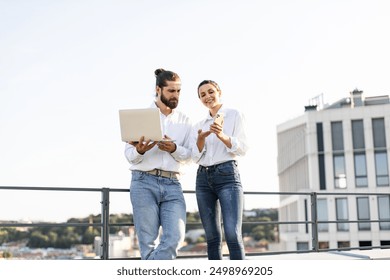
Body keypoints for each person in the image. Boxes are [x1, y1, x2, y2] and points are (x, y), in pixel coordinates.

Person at [124, 68, 192, 260]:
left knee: (174, 239)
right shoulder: (140, 116)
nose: (176, 95)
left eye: (178, 91)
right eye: (171, 90)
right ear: (158, 89)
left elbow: (190, 156)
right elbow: (129, 154)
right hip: (143, 182)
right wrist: (140, 150)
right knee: (147, 244)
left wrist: (173, 148)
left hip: (173, 184)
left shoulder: (185, 121)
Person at [191, 80, 249, 260]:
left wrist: (222, 136)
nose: (207, 97)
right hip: (203, 178)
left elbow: (243, 148)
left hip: (227, 175)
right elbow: (194, 157)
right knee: (212, 238)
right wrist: (200, 140)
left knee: (232, 234)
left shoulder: (234, 115)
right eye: (202, 95)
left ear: (219, 92)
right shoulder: (199, 125)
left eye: (210, 92)